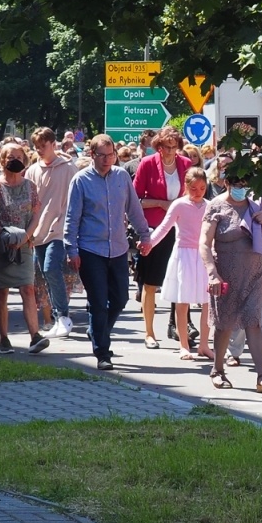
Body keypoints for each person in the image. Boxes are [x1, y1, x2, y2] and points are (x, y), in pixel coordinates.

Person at [65, 134, 150, 370]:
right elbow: (72, 218)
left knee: (121, 298)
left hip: (118, 249)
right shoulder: (81, 180)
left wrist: (145, 236)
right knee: (98, 301)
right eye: (102, 155)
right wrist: (71, 249)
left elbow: (134, 209)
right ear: (92, 155)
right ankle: (103, 352)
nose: (107, 159)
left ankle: (97, 330)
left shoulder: (122, 177)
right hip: (91, 249)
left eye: (110, 154)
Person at [200, 174, 262, 392]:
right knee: (224, 323)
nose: (242, 189)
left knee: (253, 321)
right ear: (226, 183)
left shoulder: (257, 204)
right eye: (237, 185)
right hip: (225, 273)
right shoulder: (217, 206)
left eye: (246, 185)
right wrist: (212, 273)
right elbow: (204, 243)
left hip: (255, 273)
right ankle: (217, 370)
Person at [0, 142, 49, 354]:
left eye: (19, 156)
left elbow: (36, 214)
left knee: (28, 288)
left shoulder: (30, 186)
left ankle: (35, 336)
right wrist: (4, 234)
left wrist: (26, 235)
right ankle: (3, 338)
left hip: (24, 245)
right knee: (1, 293)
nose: (15, 160)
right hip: (1, 245)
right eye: (11, 156)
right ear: (3, 160)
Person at [133, 129, 194, 349]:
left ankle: (180, 328)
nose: (169, 151)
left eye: (173, 146)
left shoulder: (186, 164)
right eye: (165, 146)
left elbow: (196, 195)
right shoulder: (147, 163)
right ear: (158, 146)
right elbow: (135, 199)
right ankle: (149, 333)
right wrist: (161, 203)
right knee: (150, 282)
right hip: (155, 227)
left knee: (181, 281)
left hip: (181, 230)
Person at [145, 166, 213, 360]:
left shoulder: (210, 205)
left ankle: (204, 345)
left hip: (204, 255)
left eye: (202, 188)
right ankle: (184, 345)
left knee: (208, 302)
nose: (198, 192)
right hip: (184, 255)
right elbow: (164, 228)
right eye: (193, 188)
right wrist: (149, 244)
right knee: (182, 302)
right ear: (186, 186)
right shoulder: (179, 205)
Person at [28, 127, 78, 338]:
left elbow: (76, 198)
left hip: (60, 229)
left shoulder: (68, 168)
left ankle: (63, 316)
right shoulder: (32, 170)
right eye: (37, 147)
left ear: (53, 144)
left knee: (50, 268)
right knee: (43, 276)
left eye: (43, 146)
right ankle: (58, 318)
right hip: (38, 230)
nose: (40, 150)